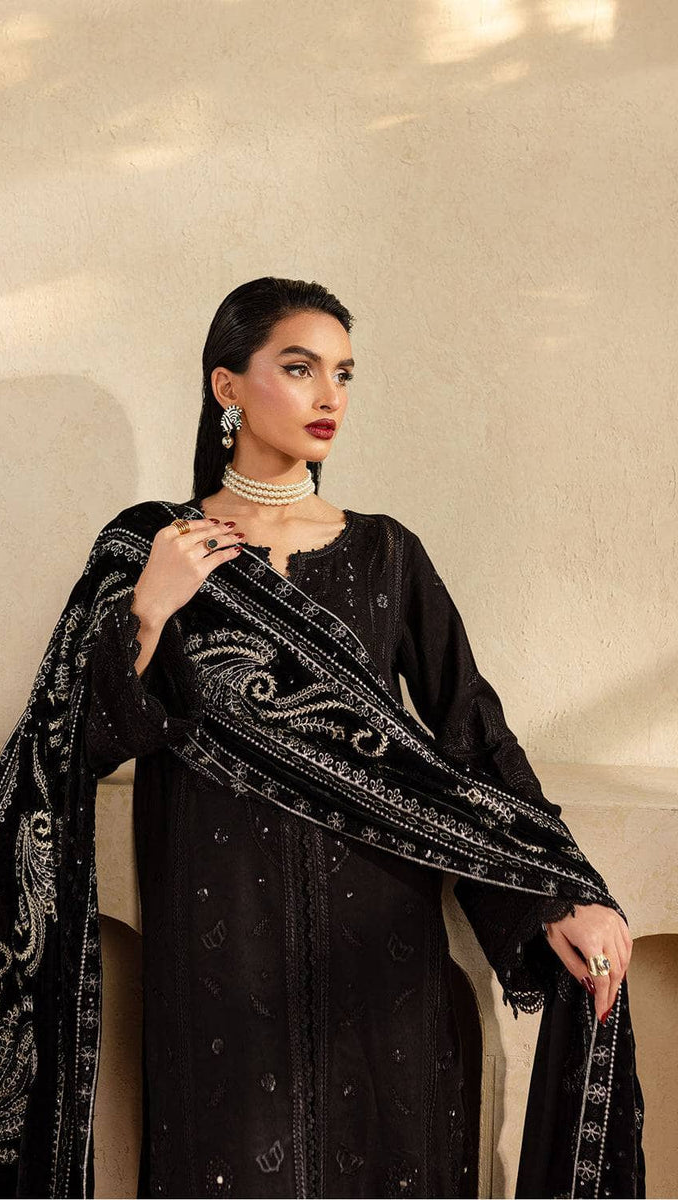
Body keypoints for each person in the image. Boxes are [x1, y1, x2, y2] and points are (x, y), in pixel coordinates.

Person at [82, 276, 636, 1198]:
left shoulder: (387, 552)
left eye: (343, 373)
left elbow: (471, 734)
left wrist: (560, 889)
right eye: (300, 368)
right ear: (227, 386)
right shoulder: (151, 547)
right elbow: (86, 737)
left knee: (392, 1151)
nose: (329, 395)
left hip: (380, 931)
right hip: (220, 932)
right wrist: (149, 611)